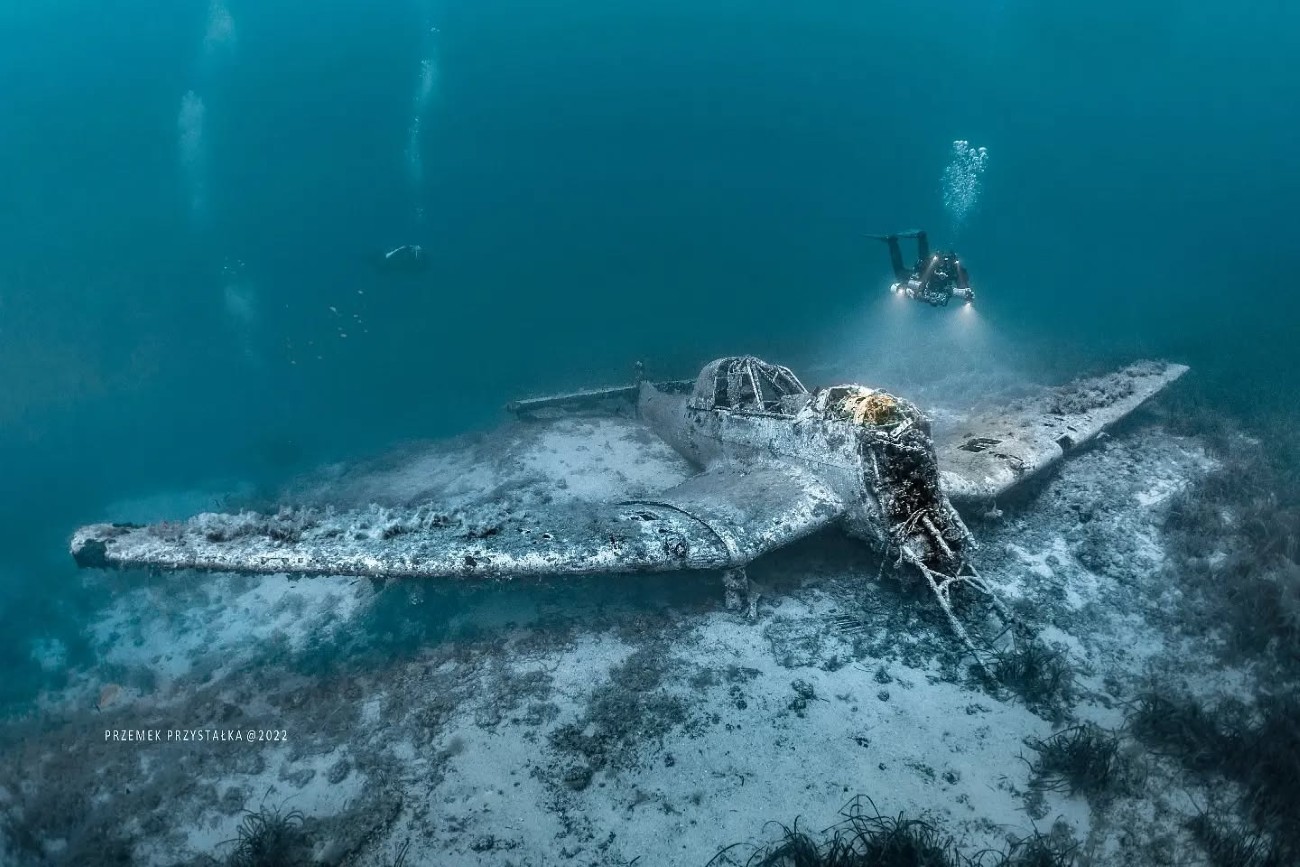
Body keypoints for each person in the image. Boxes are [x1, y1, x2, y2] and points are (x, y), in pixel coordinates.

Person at [867, 230, 975, 307]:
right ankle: (894, 242)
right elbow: (963, 285)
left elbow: (963, 287)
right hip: (923, 278)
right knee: (905, 272)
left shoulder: (953, 271)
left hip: (924, 276)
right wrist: (967, 295)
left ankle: (907, 240)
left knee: (920, 263)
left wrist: (966, 294)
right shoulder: (954, 270)